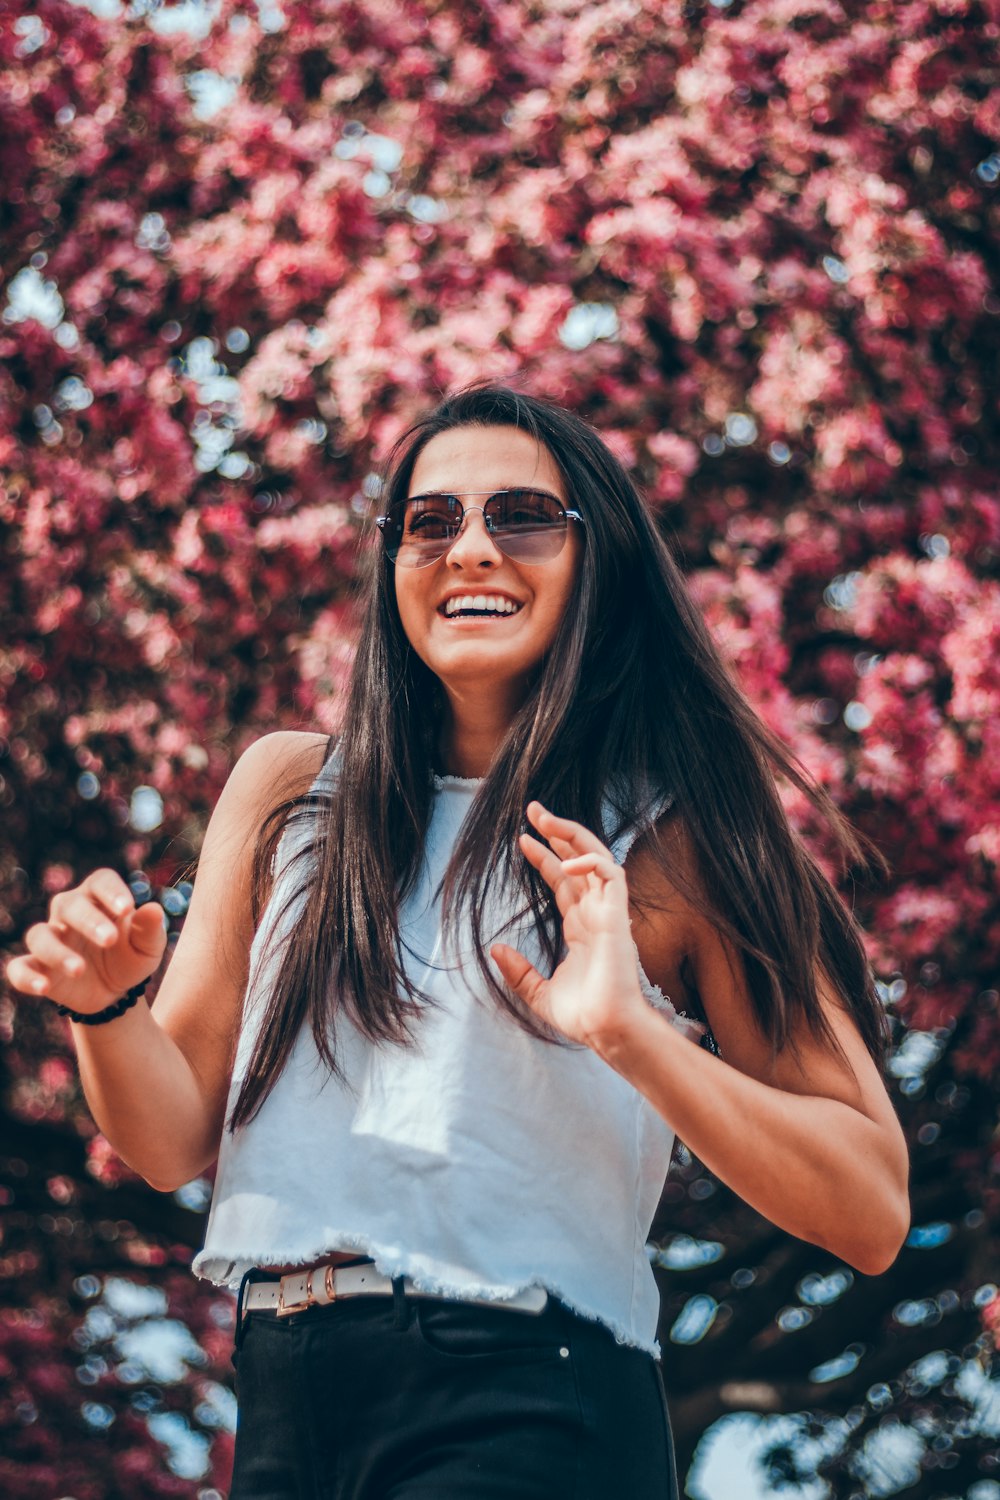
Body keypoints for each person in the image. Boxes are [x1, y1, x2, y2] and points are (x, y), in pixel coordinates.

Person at [7, 383, 910, 1499]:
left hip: (531, 1397)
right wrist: (103, 1008)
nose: (470, 548)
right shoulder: (288, 792)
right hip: (286, 1396)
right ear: (391, 568)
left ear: (599, 561)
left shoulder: (670, 836)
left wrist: (632, 1035)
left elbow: (869, 1208)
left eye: (521, 515)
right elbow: (168, 1137)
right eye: (429, 523)